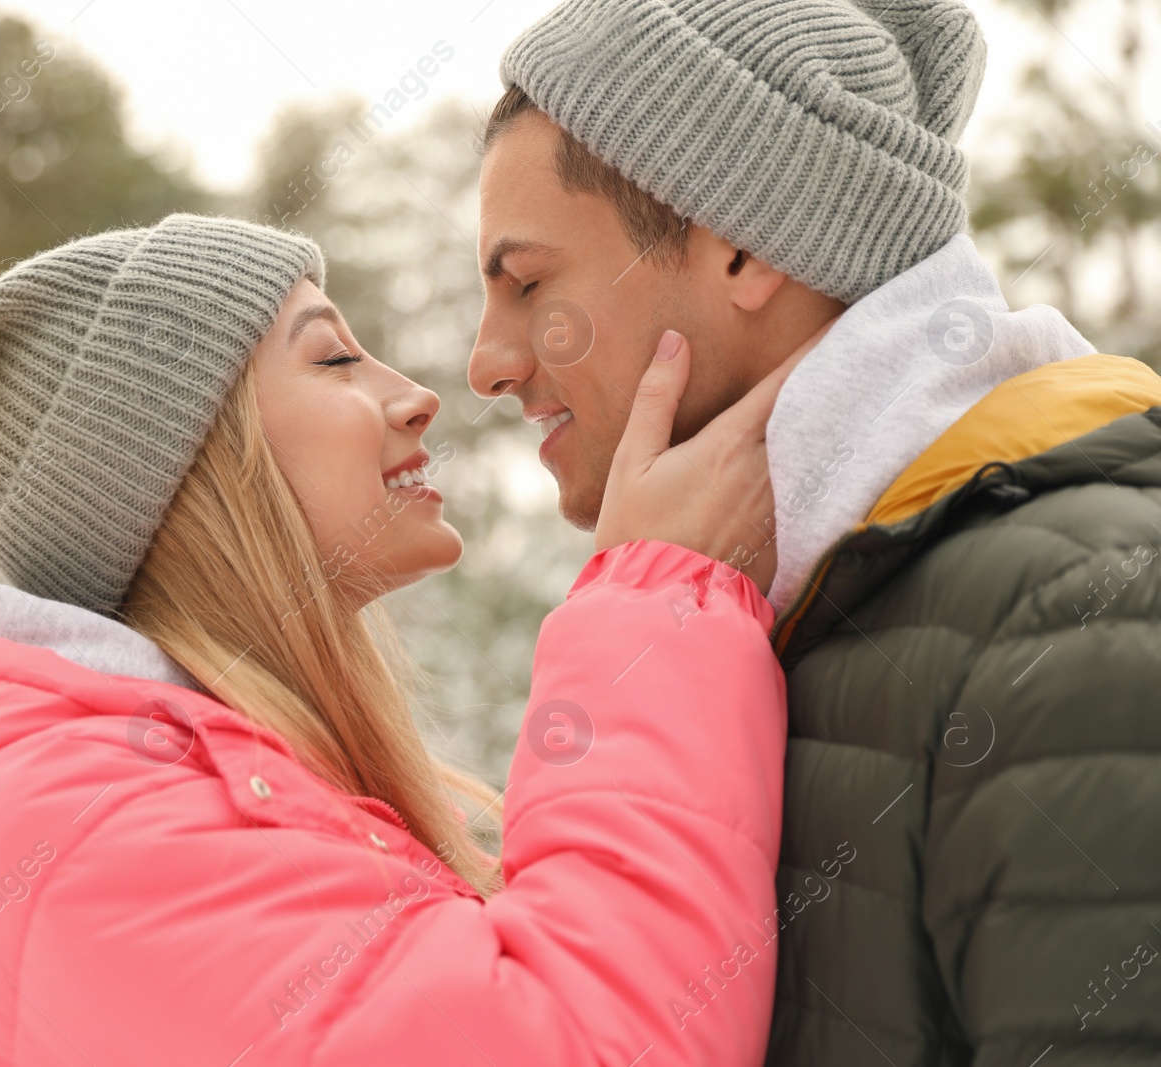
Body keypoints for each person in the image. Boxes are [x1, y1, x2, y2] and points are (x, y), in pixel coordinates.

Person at [0, 212, 795, 1066]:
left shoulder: (128, 797)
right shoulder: (73, 832)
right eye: (331, 357)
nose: (417, 394)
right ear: (194, 464)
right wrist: (658, 599)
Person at [473, 0, 1161, 1063]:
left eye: (527, 285)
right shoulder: (764, 616)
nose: (488, 361)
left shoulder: (1076, 612)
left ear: (743, 246)